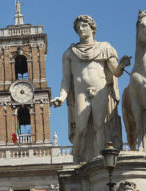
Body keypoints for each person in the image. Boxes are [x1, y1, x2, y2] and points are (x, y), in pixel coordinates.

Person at [52, 15, 131, 163]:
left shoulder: (105, 48)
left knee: (100, 126)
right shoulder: (70, 53)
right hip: (81, 92)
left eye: (84, 26)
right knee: (80, 129)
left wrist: (121, 65)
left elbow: (115, 72)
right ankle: (77, 160)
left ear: (92, 28)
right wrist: (62, 97)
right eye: (78, 27)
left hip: (100, 90)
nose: (81, 29)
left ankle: (99, 159)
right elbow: (66, 79)